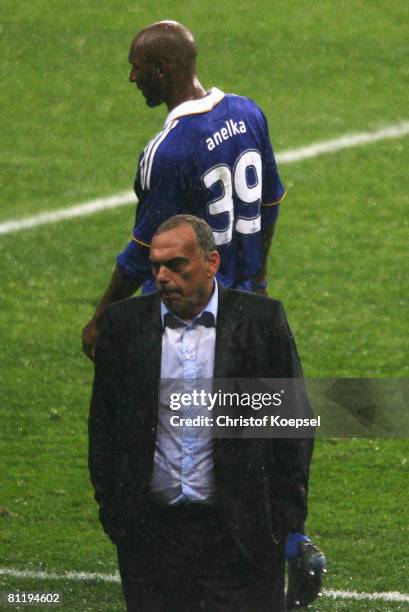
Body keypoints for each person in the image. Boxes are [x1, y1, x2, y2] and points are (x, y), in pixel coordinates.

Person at [88, 215, 314, 611]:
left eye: (176, 265)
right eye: (156, 265)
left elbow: (293, 428)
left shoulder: (260, 322)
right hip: (151, 540)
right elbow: (103, 430)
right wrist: (116, 514)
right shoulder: (124, 328)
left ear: (211, 263)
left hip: (241, 538)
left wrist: (286, 524)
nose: (162, 276)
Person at [82, 19, 286, 361]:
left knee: (174, 412)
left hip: (184, 320)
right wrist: (259, 280)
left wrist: (100, 319)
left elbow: (142, 250)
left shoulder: (168, 151)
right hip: (244, 310)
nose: (132, 78)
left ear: (161, 70)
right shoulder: (248, 113)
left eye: (137, 68)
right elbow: (270, 204)